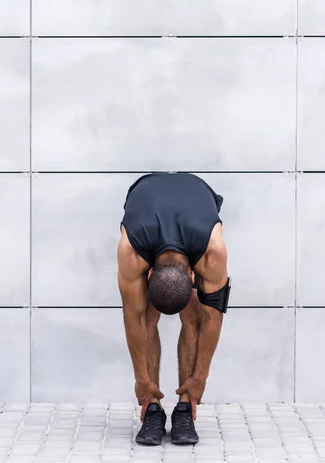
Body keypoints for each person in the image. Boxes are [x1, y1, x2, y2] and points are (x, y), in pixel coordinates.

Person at [117, 172, 230, 445]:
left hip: (198, 194)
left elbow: (212, 319)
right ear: (149, 272)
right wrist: (141, 381)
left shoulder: (212, 252)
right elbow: (133, 317)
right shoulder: (131, 252)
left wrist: (199, 378)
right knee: (146, 315)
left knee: (193, 313)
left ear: (193, 277)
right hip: (144, 195)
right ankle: (152, 408)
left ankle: (185, 407)